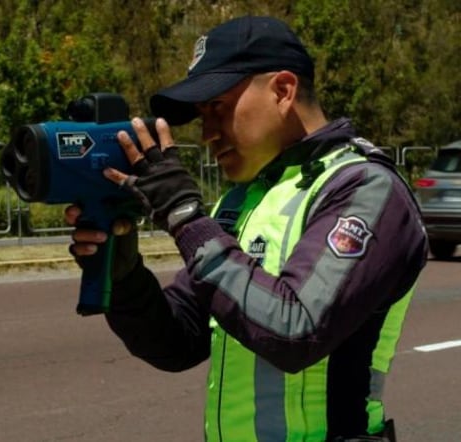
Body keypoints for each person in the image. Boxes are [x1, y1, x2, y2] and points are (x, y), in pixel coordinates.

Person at [65, 15, 428, 442]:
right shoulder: (243, 199)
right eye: (200, 116)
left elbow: (297, 330)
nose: (206, 134)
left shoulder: (366, 189)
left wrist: (184, 217)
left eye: (217, 107)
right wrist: (124, 273)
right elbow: (178, 341)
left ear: (283, 91)